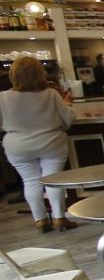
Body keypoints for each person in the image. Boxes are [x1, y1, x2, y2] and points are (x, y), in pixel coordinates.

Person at [0, 57, 77, 233]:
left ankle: (40, 220)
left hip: (18, 145)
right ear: (40, 74)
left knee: (30, 181)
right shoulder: (51, 94)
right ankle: (59, 217)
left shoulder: (2, 98)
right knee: (53, 180)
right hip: (51, 143)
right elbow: (68, 119)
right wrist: (69, 105)